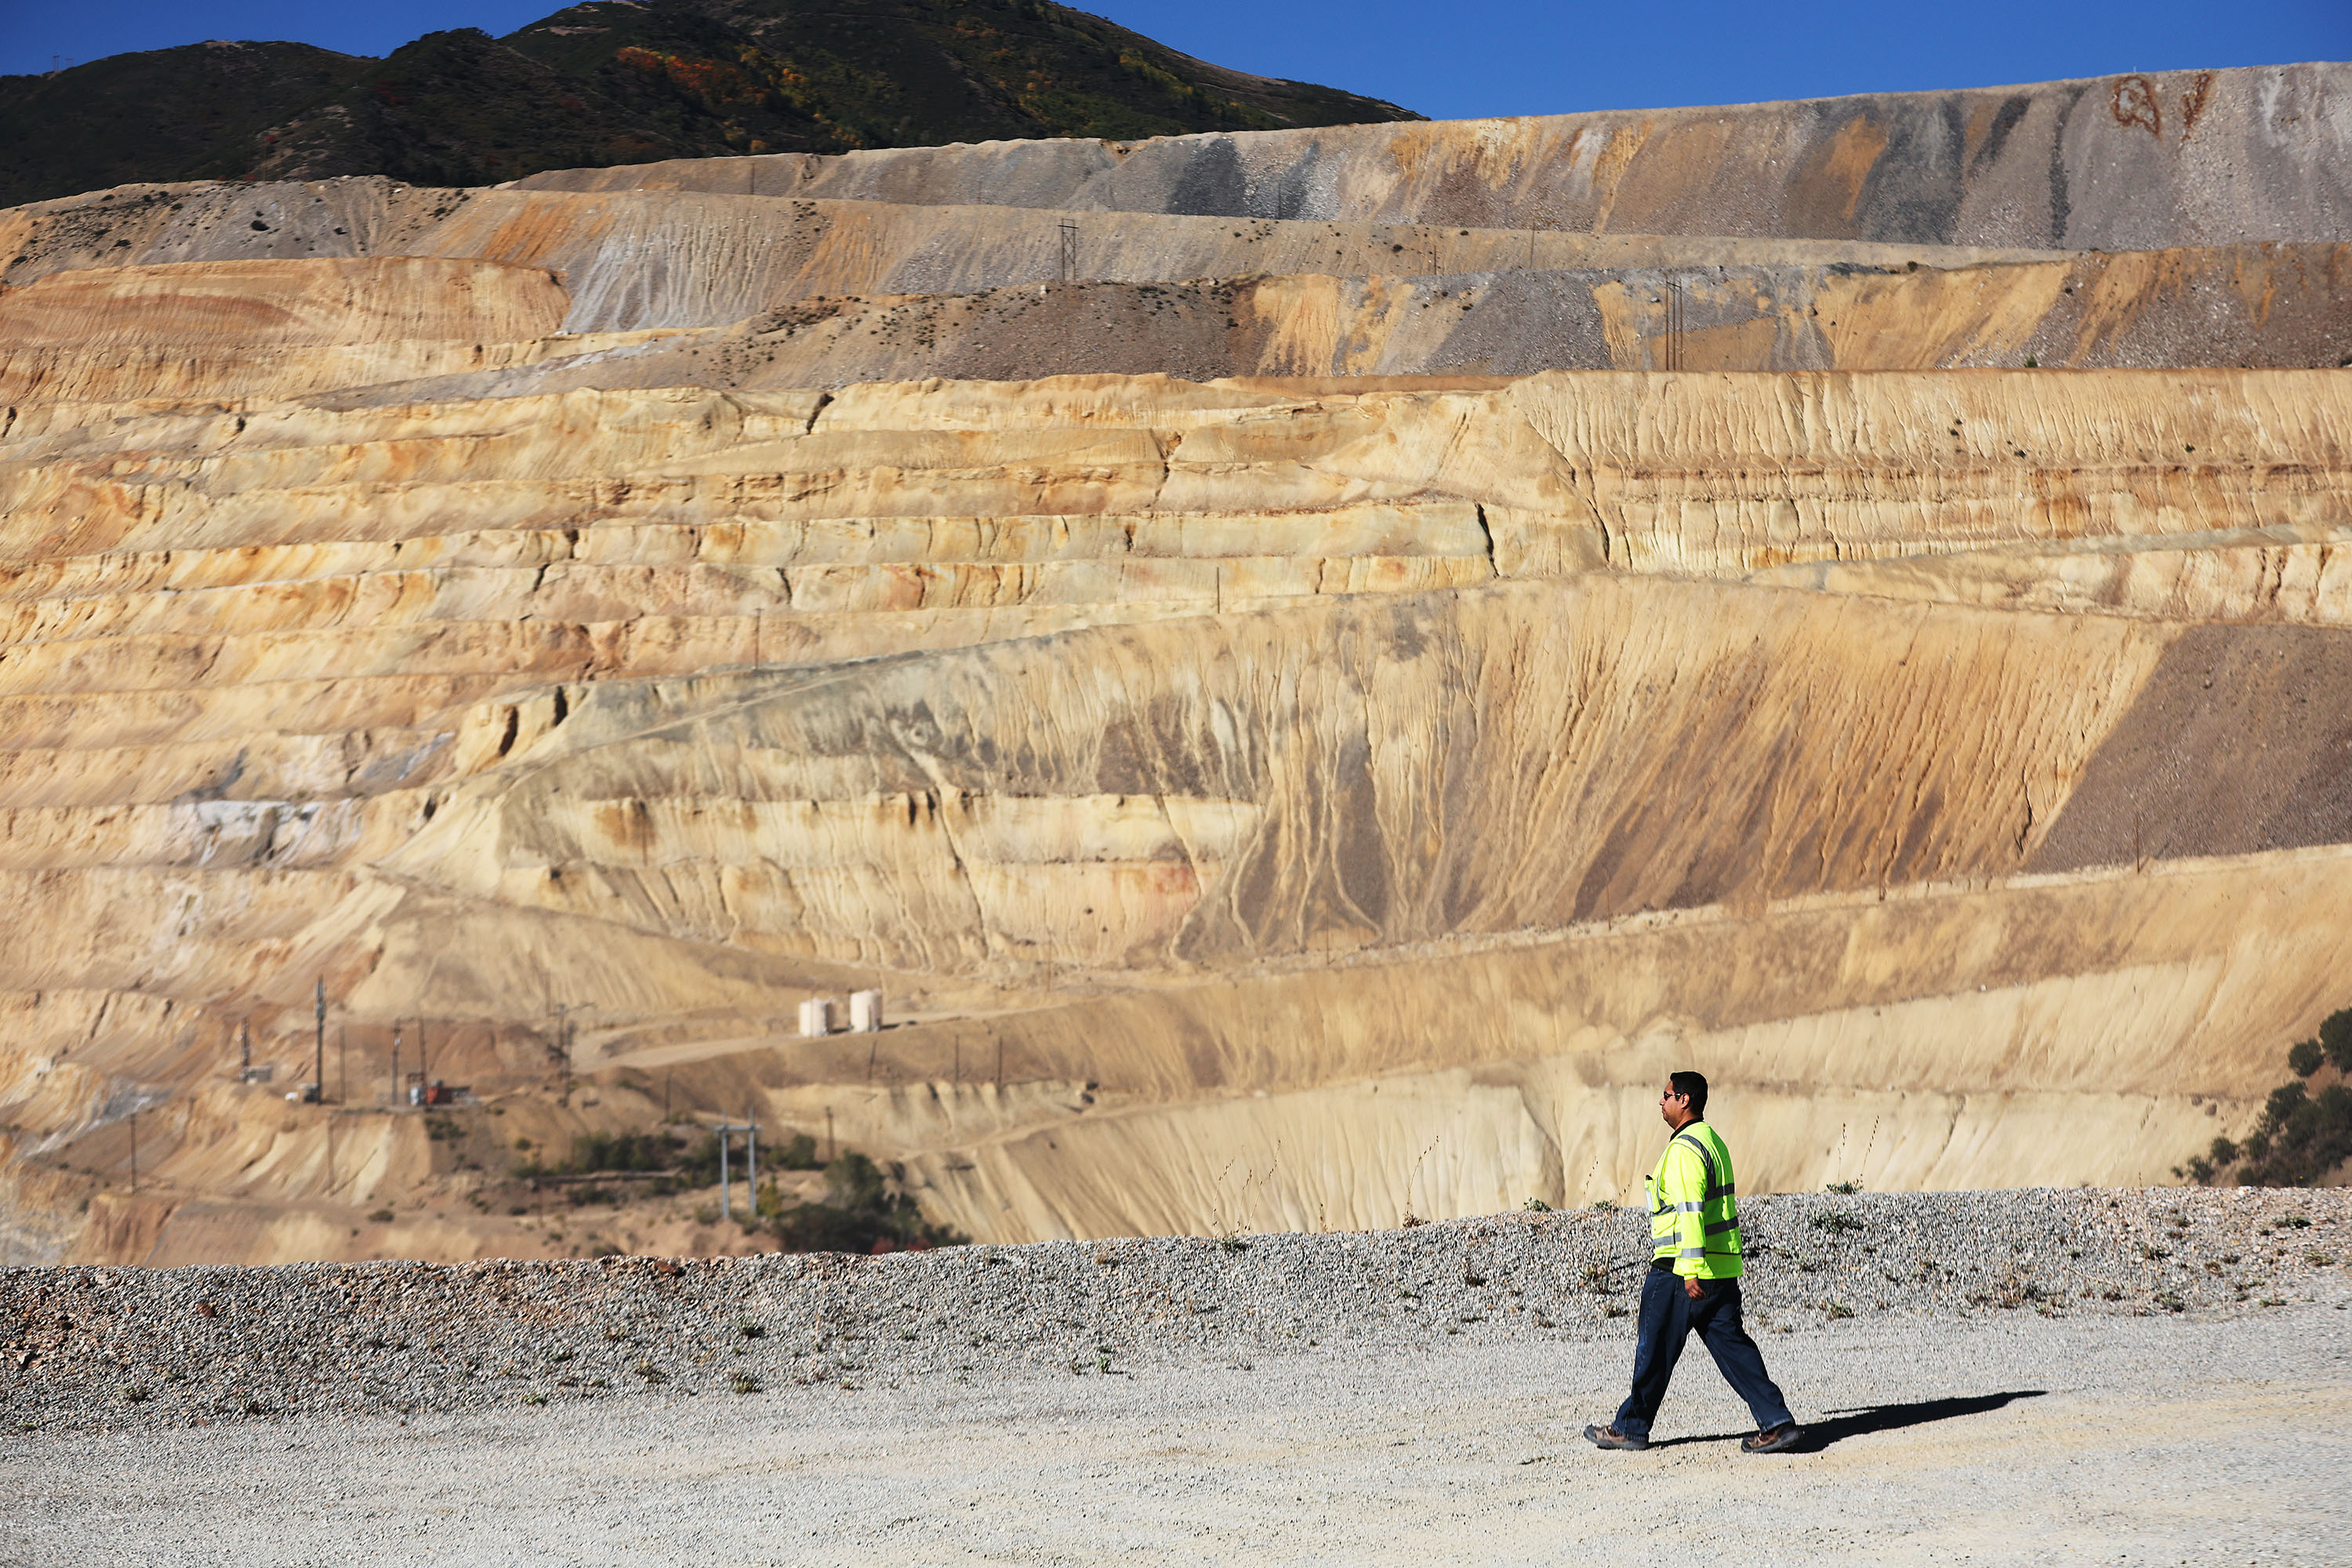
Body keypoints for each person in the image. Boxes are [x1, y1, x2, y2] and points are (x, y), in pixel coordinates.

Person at [1584, 1071, 1802, 1454]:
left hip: (1681, 1272)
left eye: (1666, 1095)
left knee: (1653, 1350)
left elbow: (1690, 1213)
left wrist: (1689, 1270)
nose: (1661, 1101)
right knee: (1735, 1349)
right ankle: (1777, 1422)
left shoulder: (1685, 1150)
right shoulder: (1713, 1142)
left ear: (1684, 1100)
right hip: (1720, 1271)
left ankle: (1631, 1427)